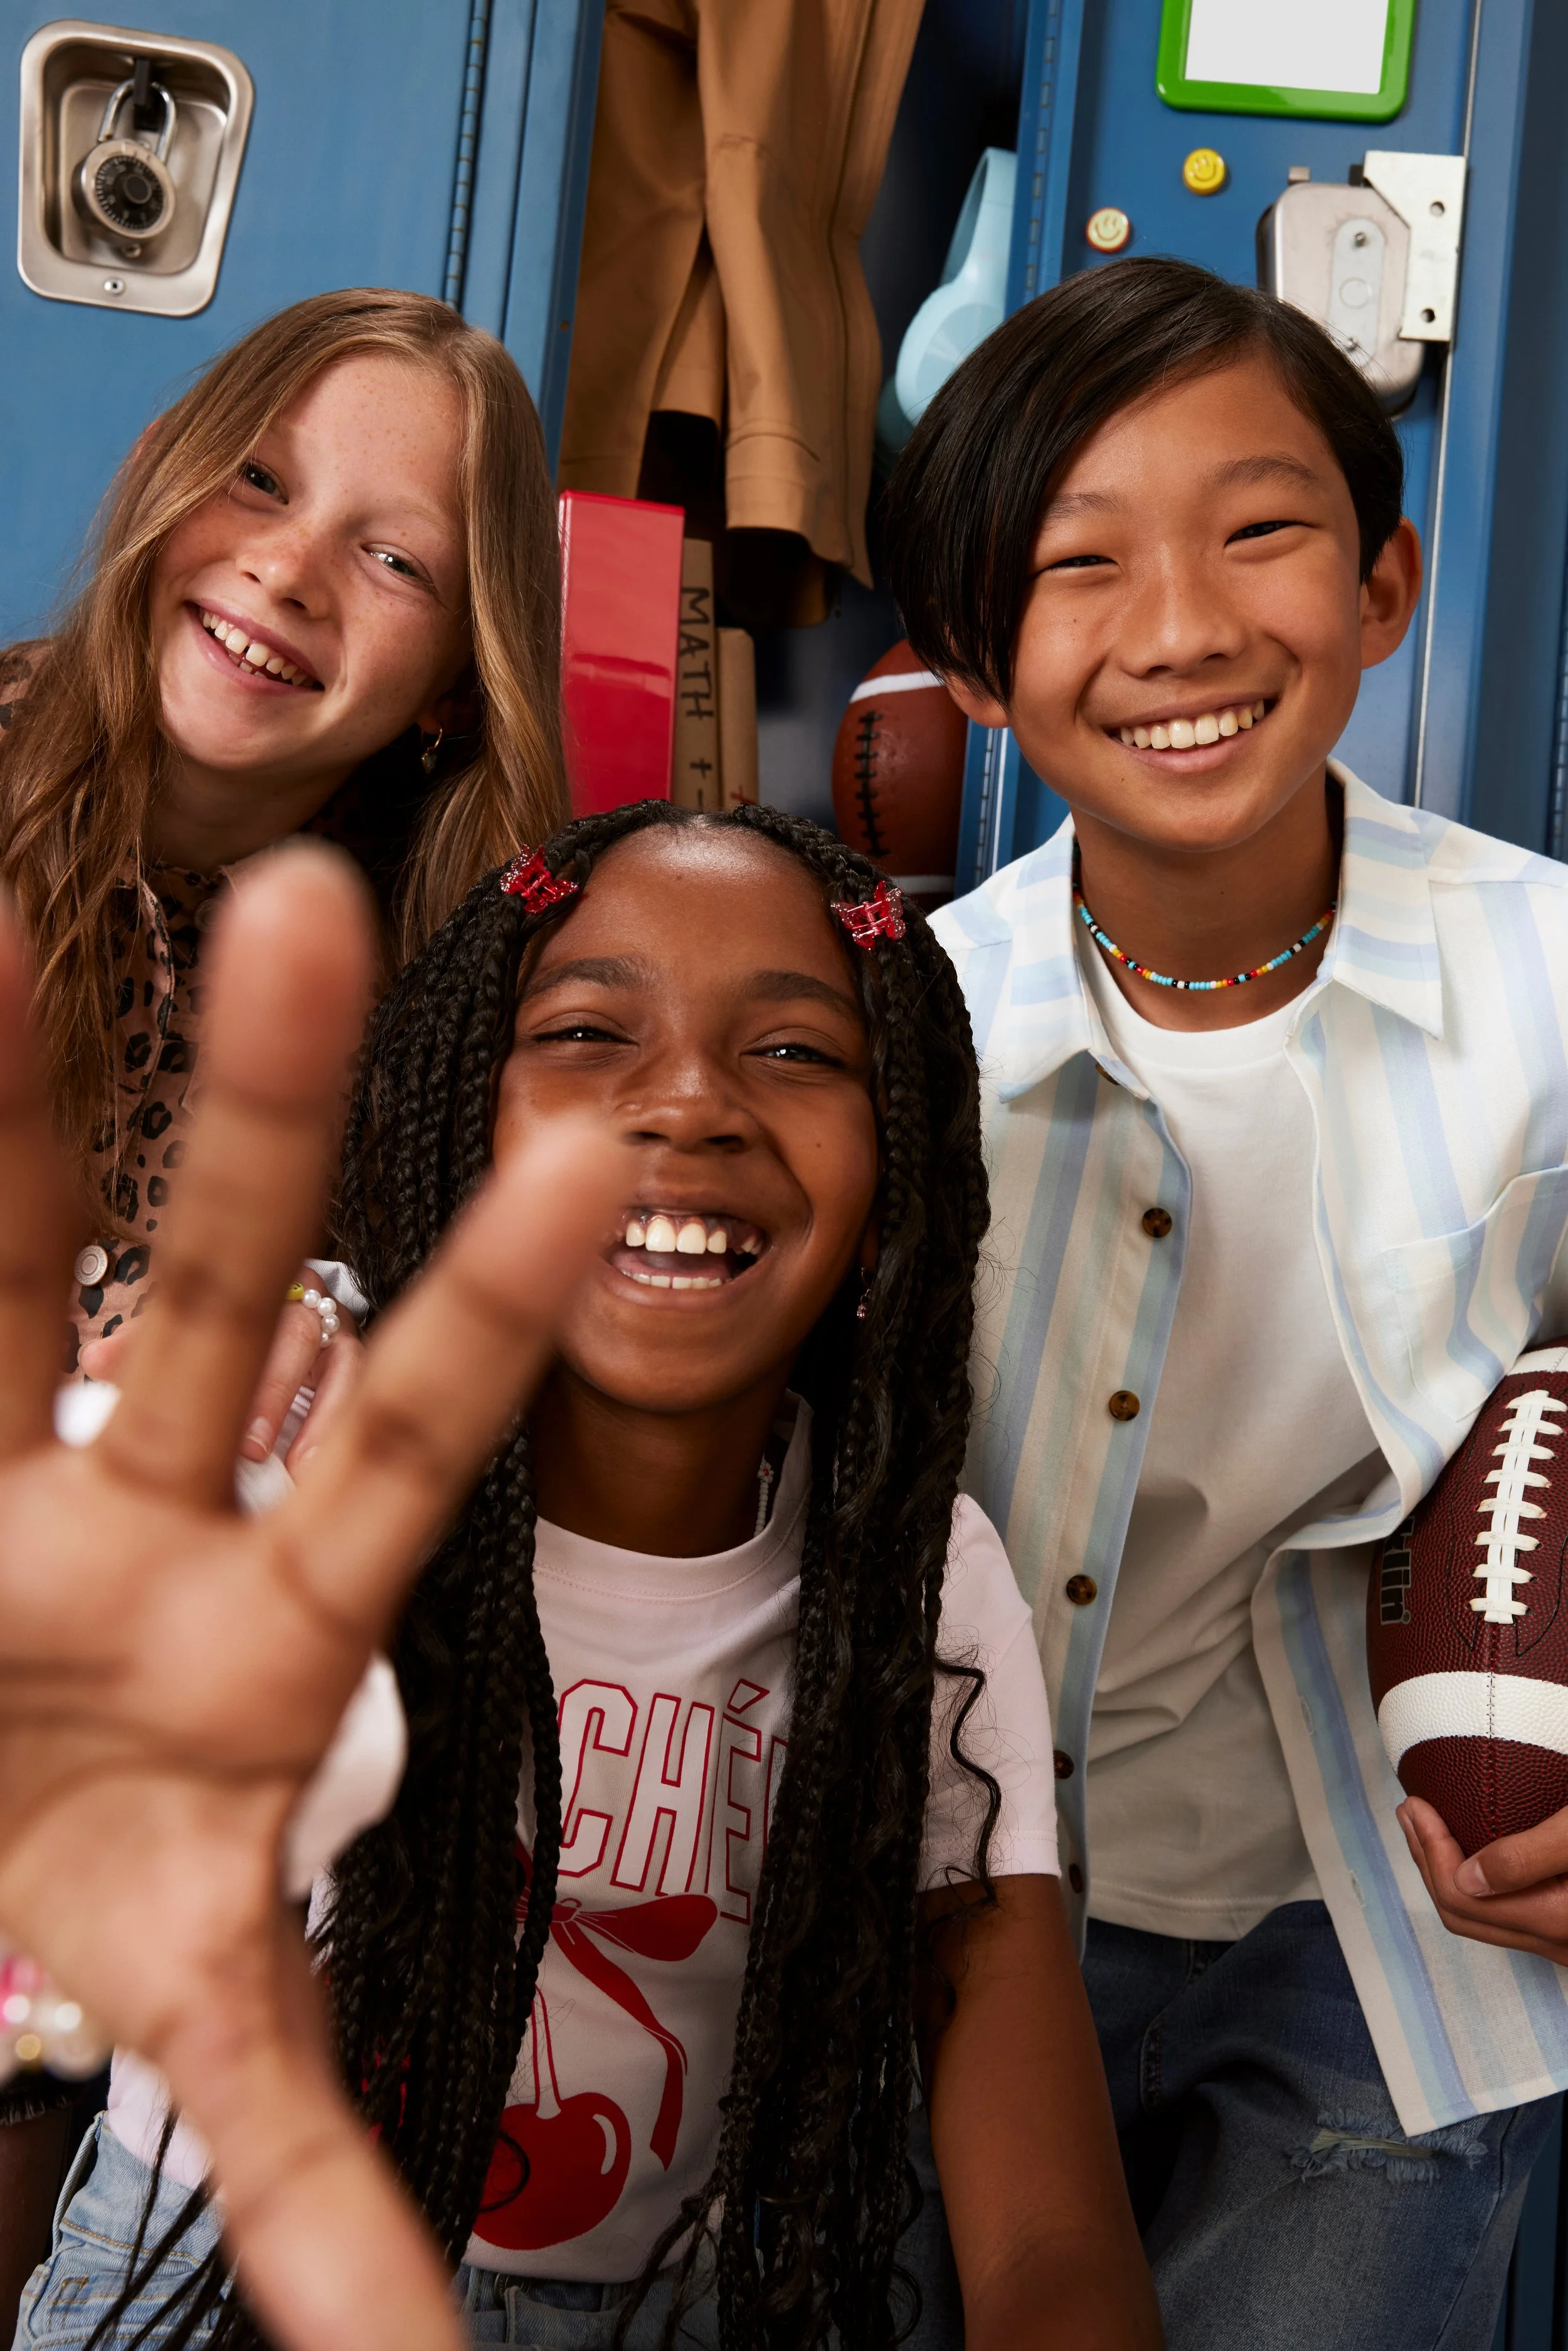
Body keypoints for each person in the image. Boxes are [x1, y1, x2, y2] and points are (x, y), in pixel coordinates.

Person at [3, 807, 1159, 2351]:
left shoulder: (915, 1579)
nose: (685, 1100)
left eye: (799, 1052)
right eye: (585, 1029)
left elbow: (1047, 2232)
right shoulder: (292, 1474)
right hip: (201, 2266)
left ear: (897, 1176)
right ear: (454, 1125)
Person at [881, 253, 1568, 2350]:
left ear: (1382, 585)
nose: (1182, 625)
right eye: (1080, 563)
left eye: (1260, 530)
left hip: (1390, 1957)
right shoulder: (903, 1040)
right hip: (944, 1916)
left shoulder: (1544, 982)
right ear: (976, 666)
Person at [0, 284, 569, 2328]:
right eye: (260, 479)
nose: (290, 566)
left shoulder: (443, 1009)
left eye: (394, 553)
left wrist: (326, 1311)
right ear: (167, 488)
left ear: (447, 681)